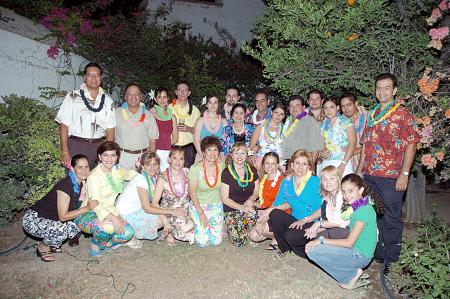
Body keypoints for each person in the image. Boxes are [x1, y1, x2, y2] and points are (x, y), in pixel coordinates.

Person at [357, 73, 419, 274]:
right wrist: (360, 169)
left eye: (386, 88)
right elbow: (366, 144)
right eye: (378, 88)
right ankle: (381, 252)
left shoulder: (403, 114)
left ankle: (392, 260)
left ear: (394, 90)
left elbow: (412, 144)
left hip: (393, 176)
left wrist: (405, 173)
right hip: (371, 175)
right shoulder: (372, 113)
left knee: (391, 217)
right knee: (376, 215)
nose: (382, 91)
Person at [306, 174, 384, 290]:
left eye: (351, 191)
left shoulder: (363, 210)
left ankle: (351, 275)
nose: (347, 195)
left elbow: (349, 243)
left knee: (313, 250)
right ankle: (350, 271)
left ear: (361, 190)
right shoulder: (359, 205)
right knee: (317, 246)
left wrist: (321, 241)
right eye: (344, 192)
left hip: (360, 256)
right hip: (356, 250)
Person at [23, 155, 98, 262]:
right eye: (80, 167)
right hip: (34, 219)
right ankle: (43, 246)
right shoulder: (66, 185)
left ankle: (53, 243)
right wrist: (87, 208)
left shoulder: (81, 183)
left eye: (86, 167)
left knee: (81, 222)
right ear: (72, 168)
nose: (84, 171)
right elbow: (63, 217)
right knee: (60, 231)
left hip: (53, 218)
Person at [75, 141, 137, 257]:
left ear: (117, 157)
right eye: (105, 155)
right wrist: (114, 218)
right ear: (99, 157)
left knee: (128, 233)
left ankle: (105, 243)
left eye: (113, 155)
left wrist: (143, 169)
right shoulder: (94, 176)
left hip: (109, 210)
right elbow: (95, 205)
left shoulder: (117, 171)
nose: (109, 159)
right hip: (88, 214)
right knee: (108, 227)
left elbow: (132, 174)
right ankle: (95, 243)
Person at [116, 152, 186, 243]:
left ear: (158, 165)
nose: (152, 167)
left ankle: (132, 235)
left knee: (164, 216)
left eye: (155, 164)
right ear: (142, 166)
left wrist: (166, 218)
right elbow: (148, 208)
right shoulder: (141, 180)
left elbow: (153, 203)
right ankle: (130, 235)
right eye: (148, 164)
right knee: (161, 219)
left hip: (135, 210)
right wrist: (172, 212)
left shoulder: (151, 178)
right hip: (125, 215)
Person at [56, 62, 115, 168]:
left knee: (97, 182)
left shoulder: (108, 100)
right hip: (76, 145)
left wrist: (108, 152)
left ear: (101, 78)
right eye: (90, 75)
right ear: (84, 77)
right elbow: (64, 125)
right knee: (74, 181)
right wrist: (64, 151)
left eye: (97, 75)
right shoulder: (73, 96)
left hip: (98, 147)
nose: (94, 78)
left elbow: (110, 128)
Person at [268, 150, 322, 258]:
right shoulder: (286, 181)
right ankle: (284, 247)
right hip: (294, 220)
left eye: (304, 164)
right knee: (274, 214)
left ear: (309, 167)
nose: (300, 167)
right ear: (292, 165)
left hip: (311, 221)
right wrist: (263, 218)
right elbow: (277, 203)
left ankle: (310, 254)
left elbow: (323, 208)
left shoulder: (315, 181)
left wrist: (305, 220)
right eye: (297, 163)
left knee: (290, 235)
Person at [188, 136, 226, 247]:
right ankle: (192, 227)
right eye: (209, 149)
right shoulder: (195, 168)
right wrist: (201, 213)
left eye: (215, 150)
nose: (212, 153)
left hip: (216, 205)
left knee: (216, 242)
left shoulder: (222, 166)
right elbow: (192, 193)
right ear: (203, 152)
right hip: (199, 206)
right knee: (202, 242)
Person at [152, 147, 194, 245]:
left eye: (181, 159)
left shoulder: (187, 172)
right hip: (170, 212)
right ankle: (168, 231)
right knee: (186, 230)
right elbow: (154, 203)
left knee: (200, 227)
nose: (178, 162)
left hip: (186, 210)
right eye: (175, 158)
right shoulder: (162, 178)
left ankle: (176, 229)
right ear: (169, 159)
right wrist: (165, 221)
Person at [220, 142, 259, 246]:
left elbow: (257, 191)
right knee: (239, 242)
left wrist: (251, 200)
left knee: (255, 235)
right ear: (231, 156)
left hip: (249, 205)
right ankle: (231, 226)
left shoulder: (253, 170)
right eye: (237, 153)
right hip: (232, 208)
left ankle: (244, 226)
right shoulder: (226, 173)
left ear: (247, 155)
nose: (240, 156)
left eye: (243, 153)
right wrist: (242, 208)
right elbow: (224, 199)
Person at [115, 83, 159, 169]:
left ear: (141, 97)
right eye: (130, 94)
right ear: (125, 97)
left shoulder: (148, 115)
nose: (133, 97)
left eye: (137, 94)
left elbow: (152, 140)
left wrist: (151, 161)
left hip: (142, 158)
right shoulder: (116, 113)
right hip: (121, 157)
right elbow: (111, 136)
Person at [249, 152, 285, 250]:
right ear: (263, 165)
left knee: (257, 232)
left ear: (278, 165)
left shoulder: (283, 181)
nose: (270, 166)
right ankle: (275, 236)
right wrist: (252, 202)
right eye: (267, 163)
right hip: (265, 211)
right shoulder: (263, 180)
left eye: (273, 163)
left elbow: (279, 205)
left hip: (279, 214)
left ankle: (281, 238)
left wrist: (263, 219)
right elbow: (263, 202)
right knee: (253, 236)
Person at [304, 166, 350, 241]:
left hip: (348, 230)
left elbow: (343, 222)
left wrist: (318, 224)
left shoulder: (344, 196)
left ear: (338, 180)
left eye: (332, 178)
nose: (328, 182)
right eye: (324, 179)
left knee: (326, 236)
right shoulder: (325, 200)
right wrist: (314, 231)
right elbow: (326, 222)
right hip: (335, 229)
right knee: (310, 236)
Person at [318, 97, 356, 178]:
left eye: (332, 107)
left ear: (337, 108)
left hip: (343, 163)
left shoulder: (346, 122)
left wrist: (343, 165)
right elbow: (321, 146)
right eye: (325, 108)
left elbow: (352, 144)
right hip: (326, 163)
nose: (329, 111)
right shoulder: (322, 126)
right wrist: (321, 153)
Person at [281, 95, 324, 165]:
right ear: (288, 108)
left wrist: (309, 167)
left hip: (303, 165)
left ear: (303, 107)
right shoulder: (287, 122)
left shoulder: (310, 122)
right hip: (288, 163)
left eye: (297, 105)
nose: (294, 108)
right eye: (291, 106)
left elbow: (316, 148)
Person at [168, 81, 201, 168]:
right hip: (172, 148)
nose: (182, 92)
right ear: (176, 92)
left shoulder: (195, 110)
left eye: (185, 90)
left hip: (188, 149)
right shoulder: (168, 108)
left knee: (188, 175)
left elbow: (200, 132)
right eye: (180, 90)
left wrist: (189, 129)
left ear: (189, 93)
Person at [249, 102, 286, 169]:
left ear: (283, 116)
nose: (278, 116)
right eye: (276, 112)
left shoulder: (285, 129)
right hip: (261, 161)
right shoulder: (261, 126)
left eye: (281, 114)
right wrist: (252, 156)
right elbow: (251, 146)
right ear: (271, 112)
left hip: (278, 163)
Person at [151, 87, 179, 172]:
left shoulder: (172, 117)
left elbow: (175, 138)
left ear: (168, 99)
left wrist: (165, 144)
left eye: (164, 97)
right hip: (154, 151)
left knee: (167, 179)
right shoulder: (150, 114)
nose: (162, 100)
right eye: (159, 97)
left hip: (168, 152)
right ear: (155, 99)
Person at [193, 95, 227, 160]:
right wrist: (204, 157)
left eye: (215, 102)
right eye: (210, 102)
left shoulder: (224, 121)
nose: (213, 105)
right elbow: (196, 141)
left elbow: (225, 142)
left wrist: (218, 157)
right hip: (202, 157)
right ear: (206, 104)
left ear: (218, 104)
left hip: (219, 158)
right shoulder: (200, 121)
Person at [339, 93, 367, 172]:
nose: (346, 109)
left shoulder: (368, 117)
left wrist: (355, 151)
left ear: (356, 103)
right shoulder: (340, 122)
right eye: (343, 106)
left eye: (349, 105)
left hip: (367, 167)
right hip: (348, 167)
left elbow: (374, 143)